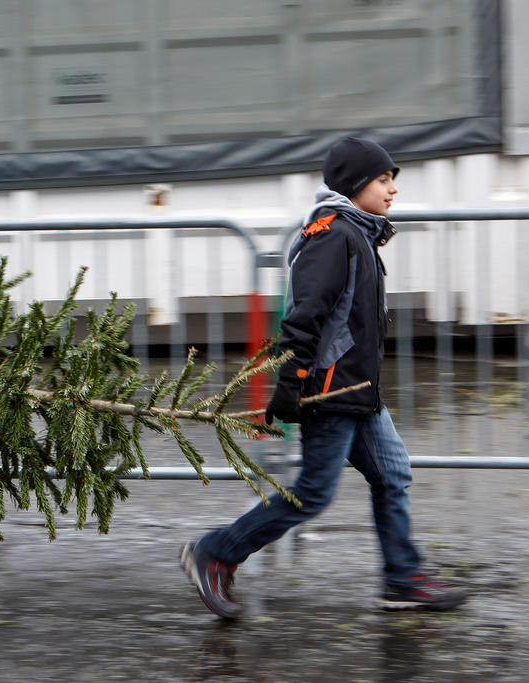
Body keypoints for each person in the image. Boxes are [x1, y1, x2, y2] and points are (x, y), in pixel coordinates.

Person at [179, 137, 468, 619]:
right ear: (356, 185)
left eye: (393, 178)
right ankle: (215, 553)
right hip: (329, 389)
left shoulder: (359, 233)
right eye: (383, 179)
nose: (393, 189)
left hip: (359, 392)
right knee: (313, 492)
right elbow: (304, 317)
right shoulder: (333, 236)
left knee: (392, 475)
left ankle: (402, 579)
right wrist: (291, 382)